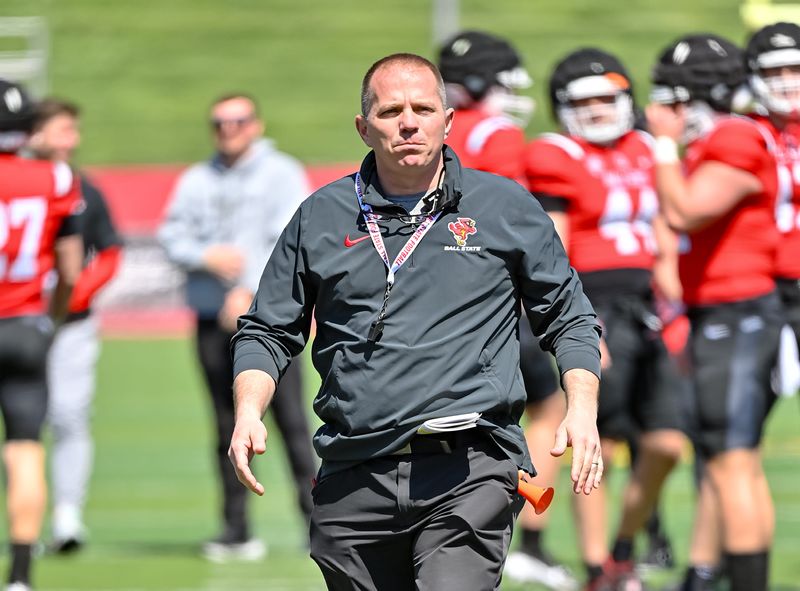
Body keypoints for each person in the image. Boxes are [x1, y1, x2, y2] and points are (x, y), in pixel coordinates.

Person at [228, 52, 604, 591]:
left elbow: (568, 315)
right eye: (390, 111)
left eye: (424, 108)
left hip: (469, 467)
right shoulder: (320, 215)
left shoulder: (504, 207)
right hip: (354, 470)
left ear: (447, 121)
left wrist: (582, 408)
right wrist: (248, 411)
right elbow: (268, 329)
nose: (408, 122)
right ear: (363, 127)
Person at [524, 48, 688, 591]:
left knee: (666, 443)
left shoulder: (645, 146)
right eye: (584, 100)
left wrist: (677, 302)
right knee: (600, 445)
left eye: (606, 98)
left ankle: (623, 547)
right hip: (596, 301)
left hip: (650, 307)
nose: (597, 110)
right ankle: (599, 568)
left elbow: (667, 227)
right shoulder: (555, 154)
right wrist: (580, 326)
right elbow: (555, 253)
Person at [437, 30, 577, 591]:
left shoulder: (427, 132)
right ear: (477, 84)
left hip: (435, 304)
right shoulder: (499, 137)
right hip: (494, 296)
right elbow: (518, 222)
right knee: (546, 410)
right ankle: (528, 538)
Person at [647, 33, 782, 591]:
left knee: (731, 464)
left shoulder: (735, 135)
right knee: (731, 463)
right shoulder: (726, 136)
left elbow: (685, 211)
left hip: (739, 311)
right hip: (720, 313)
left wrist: (662, 146)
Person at [158, 92, 317, 561]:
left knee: (291, 423)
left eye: (238, 120)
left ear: (256, 125)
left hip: (270, 318)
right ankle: (235, 528)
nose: (229, 129)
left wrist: (248, 288)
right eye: (219, 122)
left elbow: (290, 236)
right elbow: (171, 235)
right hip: (211, 319)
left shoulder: (282, 173)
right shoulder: (196, 179)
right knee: (225, 424)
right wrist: (204, 257)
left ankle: (316, 522)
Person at [24, 97, 124, 554]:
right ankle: (24, 518)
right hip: (17, 319)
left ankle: (66, 515)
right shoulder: (16, 182)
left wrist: (77, 292)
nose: (74, 140)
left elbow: (109, 249)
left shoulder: (83, 187)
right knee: (23, 422)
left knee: (69, 414)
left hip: (71, 324)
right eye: (64, 129)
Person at [0, 79, 84, 591]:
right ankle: (21, 574)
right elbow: (70, 270)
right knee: (26, 448)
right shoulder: (55, 176)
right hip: (28, 322)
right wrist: (49, 319)